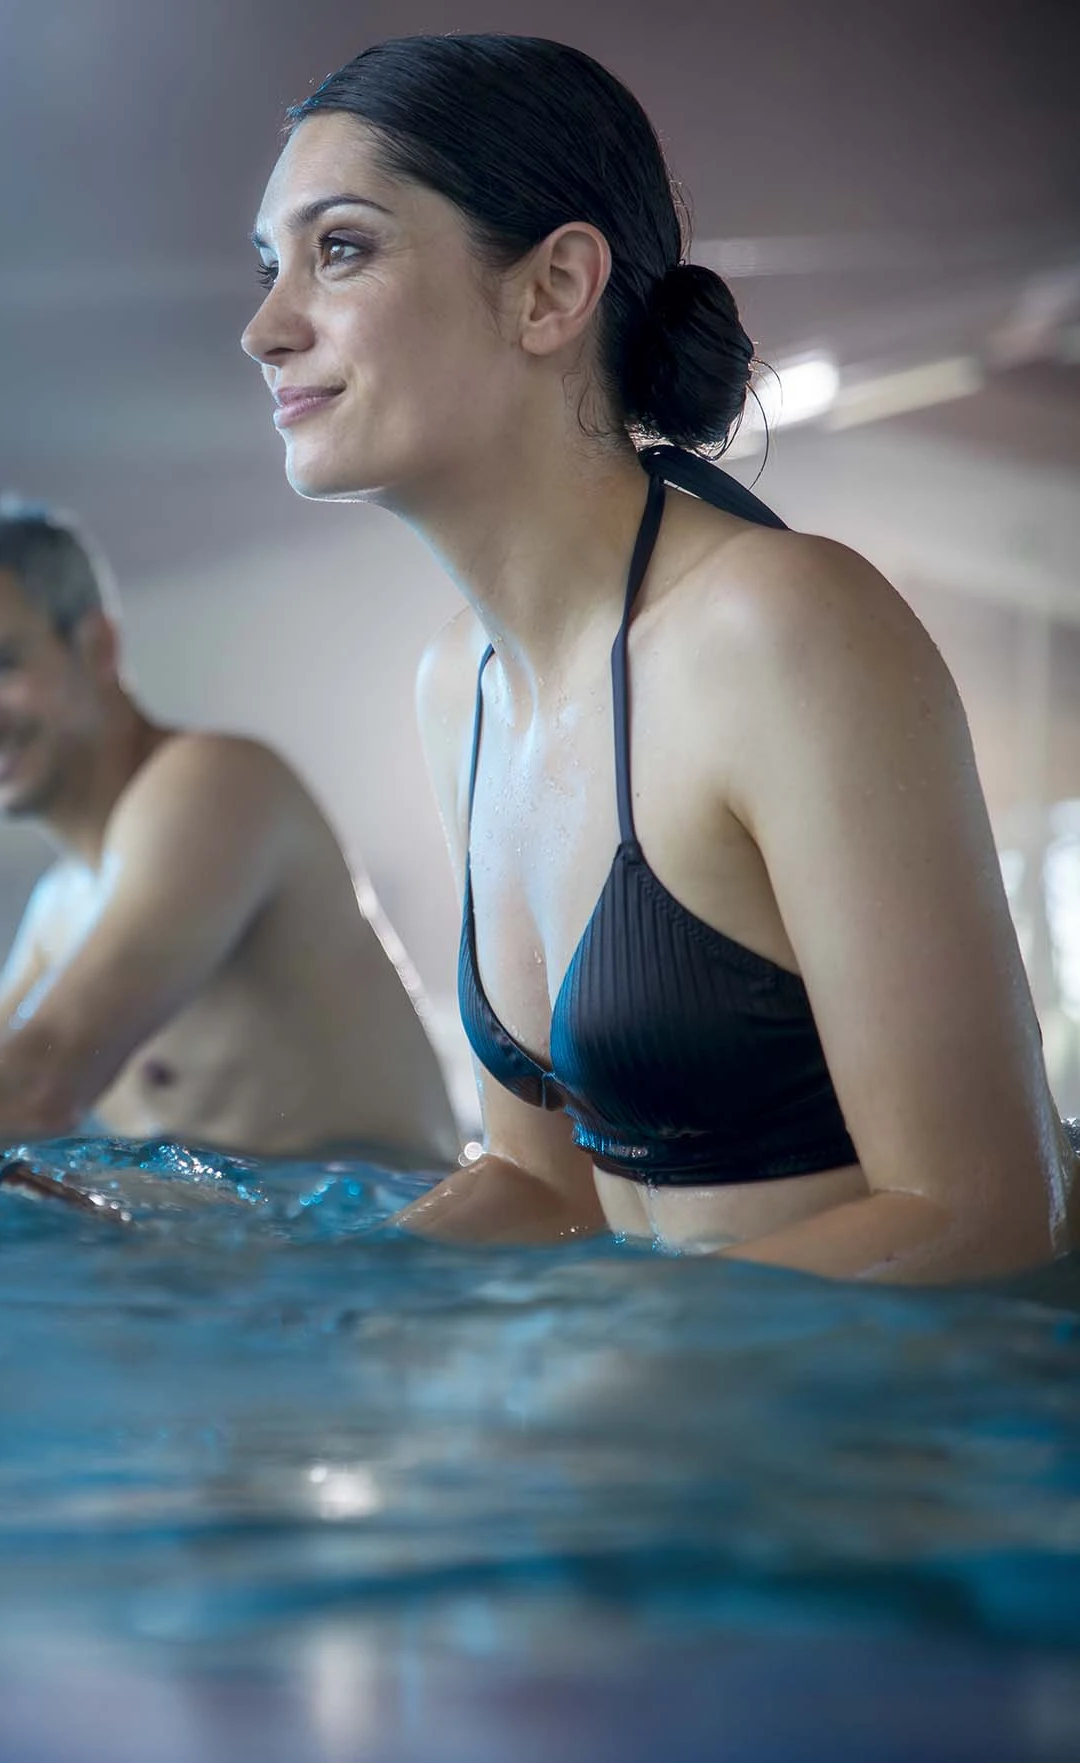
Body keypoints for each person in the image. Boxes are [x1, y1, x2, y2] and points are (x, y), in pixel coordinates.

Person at [241, 34, 1074, 1282]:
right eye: (267, 268)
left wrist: (611, 1377)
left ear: (551, 289)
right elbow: (543, 1183)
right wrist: (299, 1298)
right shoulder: (457, 685)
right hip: (687, 1433)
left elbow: (986, 1211)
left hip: (908, 1444)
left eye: (339, 248)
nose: (265, 327)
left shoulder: (779, 628)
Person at [0, 503, 460, 1164]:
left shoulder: (215, 783)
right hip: (255, 1243)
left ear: (97, 646)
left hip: (382, 1247)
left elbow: (39, 1082)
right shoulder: (61, 908)